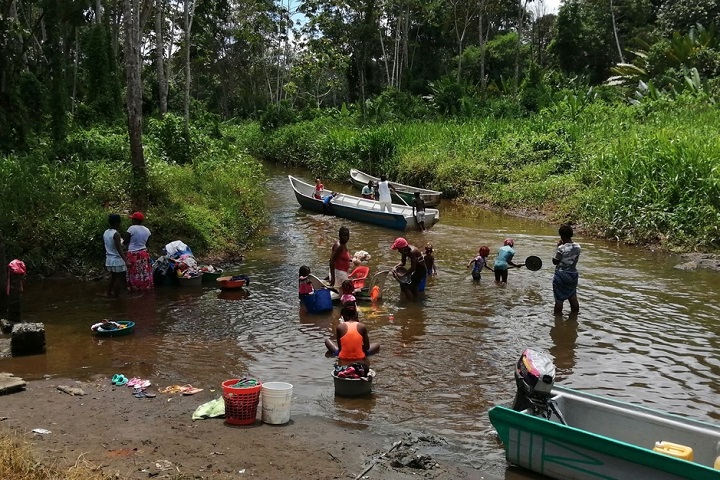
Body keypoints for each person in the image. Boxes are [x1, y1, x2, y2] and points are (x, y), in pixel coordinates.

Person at [552, 224, 581, 314]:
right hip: (573, 275)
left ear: (561, 235)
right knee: (573, 297)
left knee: (559, 299)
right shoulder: (578, 247)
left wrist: (557, 247)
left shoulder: (561, 248)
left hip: (561, 275)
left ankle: (557, 320)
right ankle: (574, 316)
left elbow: (555, 261)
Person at [124, 211, 154, 291]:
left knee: (133, 271)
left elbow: (126, 241)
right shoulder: (147, 230)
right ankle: (144, 287)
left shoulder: (131, 228)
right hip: (144, 253)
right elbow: (147, 244)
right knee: (144, 271)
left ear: (135, 220)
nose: (131, 221)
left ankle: (134, 288)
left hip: (133, 253)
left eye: (132, 219)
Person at [103, 214, 128, 297]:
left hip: (109, 259)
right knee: (120, 278)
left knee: (113, 276)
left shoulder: (106, 232)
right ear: (117, 223)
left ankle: (108, 293)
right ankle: (116, 296)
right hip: (117, 259)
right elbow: (119, 249)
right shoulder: (116, 234)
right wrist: (126, 261)